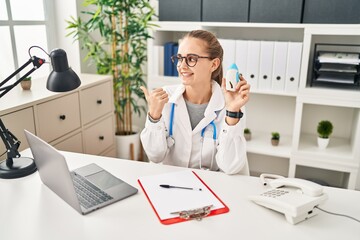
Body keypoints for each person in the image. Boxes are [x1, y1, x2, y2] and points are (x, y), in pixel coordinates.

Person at [140, 30, 250, 175]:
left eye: (191, 59)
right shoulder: (164, 99)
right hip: (170, 185)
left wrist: (233, 111)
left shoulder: (230, 105)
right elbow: (155, 157)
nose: (182, 66)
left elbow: (230, 167)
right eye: (180, 58)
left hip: (210, 188)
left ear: (214, 64)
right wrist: (154, 117)